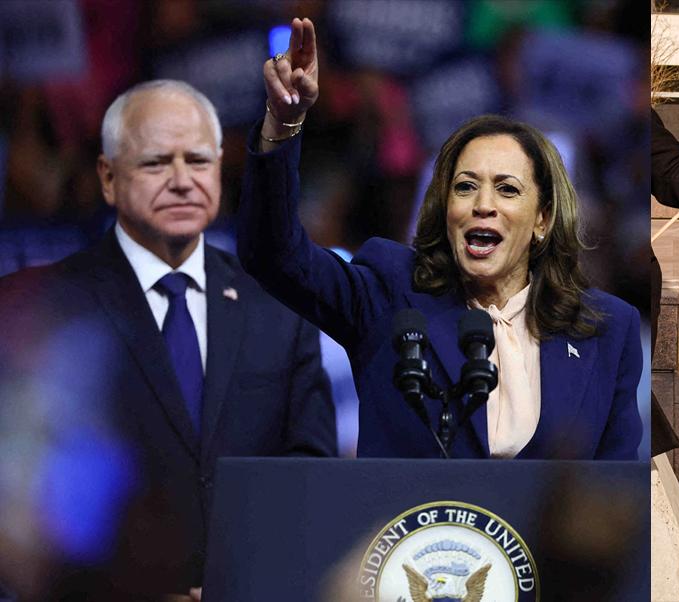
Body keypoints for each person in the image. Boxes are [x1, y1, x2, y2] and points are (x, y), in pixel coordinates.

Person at [238, 18, 642, 460]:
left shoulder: (606, 330)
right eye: (465, 186)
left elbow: (615, 492)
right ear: (443, 207)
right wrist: (283, 124)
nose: (482, 204)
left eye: (507, 189)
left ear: (543, 219)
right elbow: (274, 254)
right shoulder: (389, 294)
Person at [0, 79, 337, 598]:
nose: (182, 181)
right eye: (157, 163)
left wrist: (239, 582)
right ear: (109, 178)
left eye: (198, 161)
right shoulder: (47, 307)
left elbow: (309, 477)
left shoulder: (279, 307)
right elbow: (22, 494)